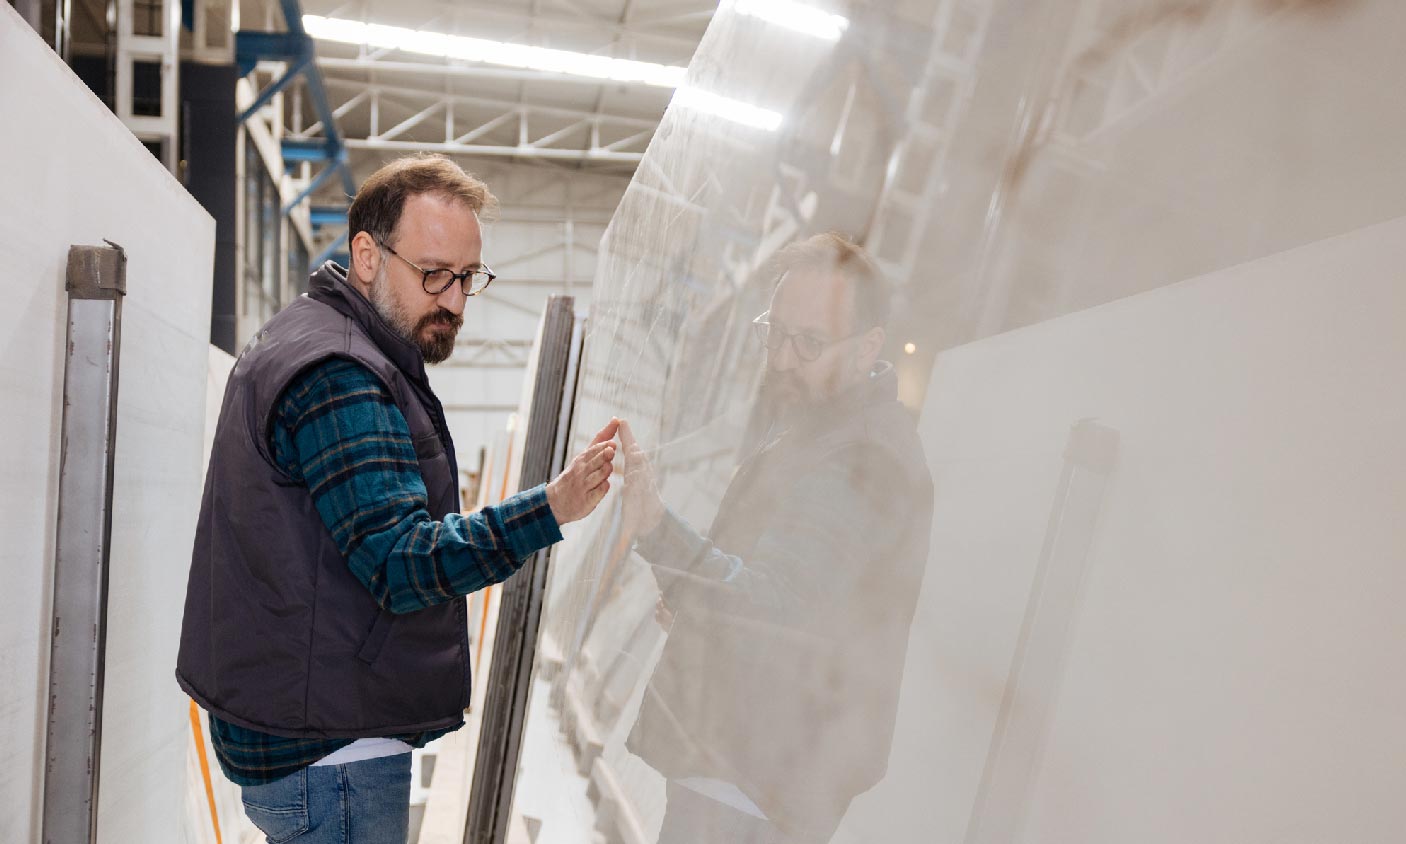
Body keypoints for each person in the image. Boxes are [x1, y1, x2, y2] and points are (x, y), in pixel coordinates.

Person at [175, 153, 618, 844]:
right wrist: (551, 507)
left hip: (313, 723)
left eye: (469, 278)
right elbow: (403, 563)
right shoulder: (341, 374)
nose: (455, 300)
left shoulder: (315, 336)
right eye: (435, 273)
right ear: (367, 255)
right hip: (332, 749)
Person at [618, 232, 934, 844]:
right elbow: (798, 597)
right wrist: (695, 600)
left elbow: (775, 604)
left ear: (868, 346)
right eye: (775, 333)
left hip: (750, 780)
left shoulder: (861, 459)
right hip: (743, 768)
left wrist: (658, 528)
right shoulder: (825, 428)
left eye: (810, 342)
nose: (783, 359)